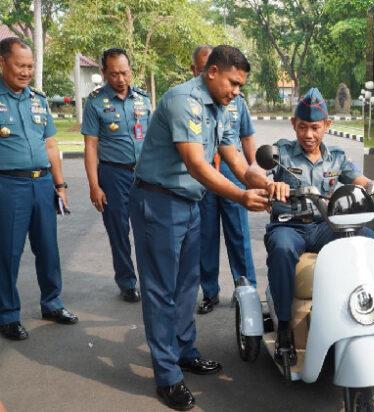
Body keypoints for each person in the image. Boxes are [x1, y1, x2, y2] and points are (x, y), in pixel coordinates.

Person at [128, 45, 285, 410]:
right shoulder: (184, 100)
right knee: (161, 290)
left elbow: (235, 159)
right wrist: (240, 196)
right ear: (212, 72)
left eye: (241, 85)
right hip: (159, 201)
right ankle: (166, 377)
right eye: (233, 82)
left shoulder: (224, 108)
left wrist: (264, 182)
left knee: (186, 285)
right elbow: (197, 164)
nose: (237, 91)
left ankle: (184, 351)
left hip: (189, 202)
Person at [246, 87, 374, 365]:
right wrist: (269, 183)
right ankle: (285, 326)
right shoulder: (281, 152)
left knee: (367, 240)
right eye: (302, 127)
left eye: (314, 127)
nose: (308, 134)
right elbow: (252, 171)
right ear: (293, 125)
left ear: (327, 126)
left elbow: (361, 181)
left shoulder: (336, 156)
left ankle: (365, 311)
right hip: (290, 226)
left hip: (325, 226)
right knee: (282, 249)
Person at [0, 37, 78, 341]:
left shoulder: (38, 99)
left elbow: (50, 143)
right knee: (8, 252)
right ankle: (7, 315)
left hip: (43, 182)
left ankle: (52, 303)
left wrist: (60, 185)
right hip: (9, 185)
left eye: (30, 66)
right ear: (3, 63)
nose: (26, 71)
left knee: (48, 247)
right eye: (20, 65)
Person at [190, 45, 258, 315]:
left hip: (231, 171)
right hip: (203, 175)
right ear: (198, 70)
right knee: (205, 236)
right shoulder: (190, 103)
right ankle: (210, 292)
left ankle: (247, 290)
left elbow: (246, 137)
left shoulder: (236, 101)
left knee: (239, 234)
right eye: (201, 69)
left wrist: (254, 173)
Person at [81, 48, 152, 303]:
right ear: (103, 73)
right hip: (113, 174)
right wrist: (94, 185)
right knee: (119, 231)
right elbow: (90, 146)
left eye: (124, 72)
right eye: (113, 74)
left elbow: (154, 140)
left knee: (149, 230)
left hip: (144, 175)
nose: (120, 79)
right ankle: (127, 282)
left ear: (130, 70)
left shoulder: (143, 99)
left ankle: (151, 280)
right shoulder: (95, 102)